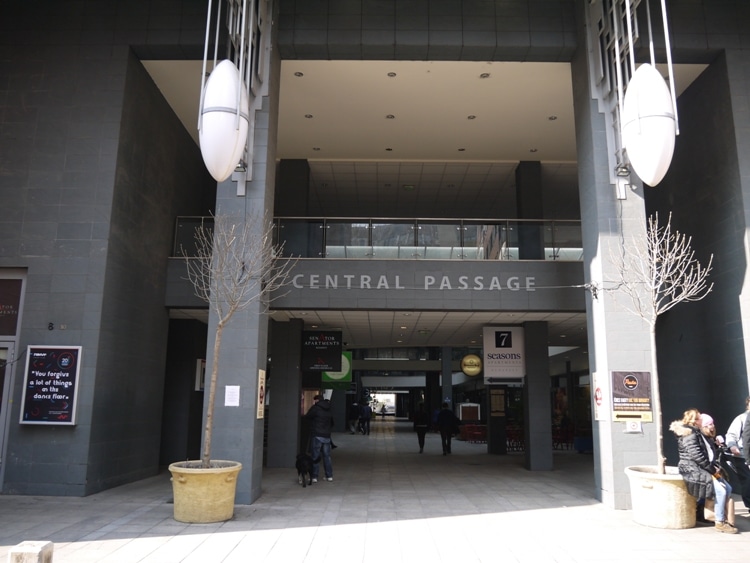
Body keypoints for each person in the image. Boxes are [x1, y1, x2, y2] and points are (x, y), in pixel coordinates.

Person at [670, 408, 737, 533]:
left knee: (726, 488)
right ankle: (719, 521)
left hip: (701, 468)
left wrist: (716, 445)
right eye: (699, 418)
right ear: (695, 421)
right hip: (693, 469)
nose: (702, 420)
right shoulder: (689, 434)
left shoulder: (697, 433)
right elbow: (697, 456)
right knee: (721, 491)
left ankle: (713, 513)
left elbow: (707, 452)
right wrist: (712, 470)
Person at [725, 397, 750, 509]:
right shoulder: (741, 418)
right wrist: (732, 446)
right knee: (748, 482)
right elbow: (731, 434)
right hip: (742, 456)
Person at [304, 394, 334, 482]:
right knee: (327, 456)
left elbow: (307, 417)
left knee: (315, 456)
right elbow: (332, 423)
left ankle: (314, 476)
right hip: (327, 436)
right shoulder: (329, 409)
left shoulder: (315, 408)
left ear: (316, 400)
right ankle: (329, 476)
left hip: (317, 435)